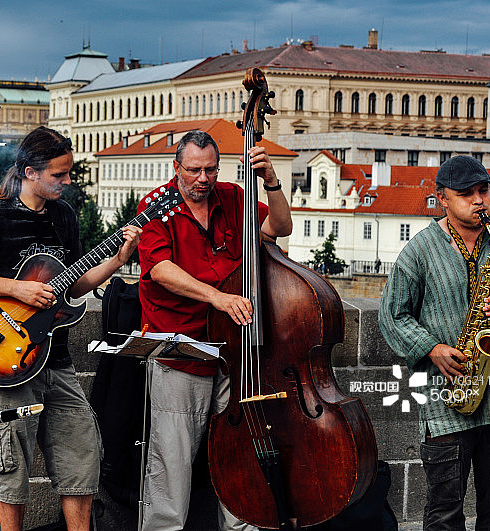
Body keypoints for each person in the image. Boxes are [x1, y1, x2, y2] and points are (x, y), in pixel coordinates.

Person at [0, 126, 142, 531]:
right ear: (30, 172)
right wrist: (16, 289)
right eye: (59, 174)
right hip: (4, 357)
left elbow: (71, 285)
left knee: (82, 455)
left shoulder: (64, 216)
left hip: (54, 357)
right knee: (11, 466)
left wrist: (117, 261)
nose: (68, 181)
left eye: (69, 172)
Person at [379, 155, 490, 530]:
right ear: (442, 198)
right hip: (447, 403)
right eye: (466, 194)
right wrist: (431, 348)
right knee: (444, 514)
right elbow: (392, 315)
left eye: (483, 190)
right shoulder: (420, 250)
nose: (479, 200)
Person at [136, 130, 292, 530]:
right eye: (193, 170)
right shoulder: (155, 204)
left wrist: (271, 181)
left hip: (235, 351)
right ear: (176, 167)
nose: (202, 179)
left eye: (210, 169)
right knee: (171, 464)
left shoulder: (234, 197)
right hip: (181, 350)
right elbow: (161, 270)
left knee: (239, 457)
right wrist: (217, 297)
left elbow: (280, 227)